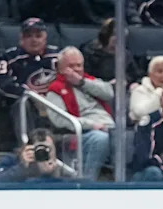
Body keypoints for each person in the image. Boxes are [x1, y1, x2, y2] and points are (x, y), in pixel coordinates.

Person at [45, 46, 114, 180]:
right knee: (99, 138)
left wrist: (82, 82)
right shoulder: (55, 89)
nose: (76, 69)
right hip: (79, 133)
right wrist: (92, 125)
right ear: (60, 68)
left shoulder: (89, 81)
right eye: (71, 66)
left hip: (110, 128)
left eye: (79, 65)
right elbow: (60, 120)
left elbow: (109, 93)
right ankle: (87, 180)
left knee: (127, 138)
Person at [0, 18, 60, 141]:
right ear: (21, 38)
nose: (33, 39)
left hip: (54, 100)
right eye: (28, 36)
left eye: (38, 35)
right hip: (26, 101)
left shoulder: (58, 55)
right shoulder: (10, 57)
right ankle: (29, 145)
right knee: (23, 105)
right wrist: (28, 94)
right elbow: (2, 83)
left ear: (45, 37)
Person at [0, 127, 77, 182]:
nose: (43, 152)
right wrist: (22, 168)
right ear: (29, 149)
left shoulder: (63, 166)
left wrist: (53, 173)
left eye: (48, 148)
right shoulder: (11, 161)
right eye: (39, 148)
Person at [81, 18, 139, 85]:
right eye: (114, 35)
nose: (118, 41)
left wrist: (126, 81)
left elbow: (134, 75)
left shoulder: (126, 55)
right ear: (106, 36)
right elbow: (85, 76)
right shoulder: (90, 51)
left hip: (120, 89)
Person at [129, 56, 163, 123]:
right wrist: (161, 92)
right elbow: (139, 112)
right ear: (150, 74)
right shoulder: (139, 90)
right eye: (159, 71)